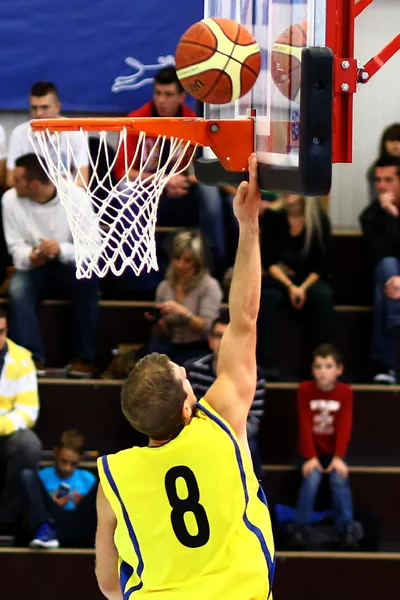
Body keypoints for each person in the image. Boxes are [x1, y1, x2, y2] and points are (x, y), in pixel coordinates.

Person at [95, 154, 275, 600]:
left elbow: (108, 585)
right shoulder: (221, 425)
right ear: (188, 406)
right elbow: (245, 320)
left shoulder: (114, 477)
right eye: (186, 377)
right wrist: (248, 225)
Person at [113, 66, 235, 278]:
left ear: (182, 96)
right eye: (158, 93)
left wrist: (185, 181)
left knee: (209, 190)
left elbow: (209, 169)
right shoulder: (137, 120)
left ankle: (213, 263)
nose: (161, 100)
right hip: (149, 195)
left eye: (168, 94)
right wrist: (163, 180)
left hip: (183, 193)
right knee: (125, 190)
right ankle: (137, 265)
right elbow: (123, 172)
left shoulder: (193, 122)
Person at [2, 153, 99, 377]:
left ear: (34, 184)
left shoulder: (77, 197)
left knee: (89, 279)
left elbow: (93, 249)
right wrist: (31, 256)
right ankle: (31, 359)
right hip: (34, 267)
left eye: (17, 179)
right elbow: (15, 246)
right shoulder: (9, 199)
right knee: (18, 288)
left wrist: (61, 250)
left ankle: (83, 359)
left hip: (70, 266)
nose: (11, 183)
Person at [291, 344, 360, 550]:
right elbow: (304, 425)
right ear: (313, 370)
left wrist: (339, 456)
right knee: (312, 478)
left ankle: (346, 528)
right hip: (309, 450)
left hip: (333, 451)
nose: (323, 371)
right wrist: (310, 457)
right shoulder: (304, 390)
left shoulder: (345, 392)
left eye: (328, 366)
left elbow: (344, 426)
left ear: (339, 369)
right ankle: (300, 528)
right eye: (318, 366)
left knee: (339, 479)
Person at [258, 194, 334, 380]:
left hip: (309, 279)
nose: (288, 192)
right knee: (268, 297)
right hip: (280, 278)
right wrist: (291, 286)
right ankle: (266, 364)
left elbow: (321, 265)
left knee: (323, 296)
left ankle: (322, 362)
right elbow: (268, 260)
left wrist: (302, 287)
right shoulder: (272, 216)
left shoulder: (319, 220)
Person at [184, 310, 265, 479]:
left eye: (228, 336)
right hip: (201, 434)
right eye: (218, 336)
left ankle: (253, 498)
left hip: (237, 433)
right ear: (210, 341)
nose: (223, 342)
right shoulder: (193, 369)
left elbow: (254, 422)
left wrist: (226, 434)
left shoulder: (254, 374)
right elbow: (188, 413)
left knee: (252, 447)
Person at [144, 229, 222, 365]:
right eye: (177, 258)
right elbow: (164, 332)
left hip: (198, 345)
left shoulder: (209, 286)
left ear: (197, 263)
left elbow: (208, 329)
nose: (180, 265)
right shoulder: (165, 286)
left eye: (187, 261)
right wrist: (158, 324)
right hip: (170, 343)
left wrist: (185, 314)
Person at [0, 307, 41, 543]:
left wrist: (2, 425)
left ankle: (5, 520)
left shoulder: (21, 360)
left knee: (29, 444)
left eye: (1, 331)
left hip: (6, 437)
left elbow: (28, 413)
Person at [360, 155, 400, 384]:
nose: (382, 186)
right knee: (387, 267)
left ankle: (383, 365)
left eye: (388, 179)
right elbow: (381, 253)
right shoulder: (371, 216)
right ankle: (396, 316)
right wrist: (391, 217)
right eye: (377, 180)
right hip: (388, 285)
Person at [21, 429, 98, 549]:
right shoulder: (43, 476)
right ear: (56, 452)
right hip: (53, 521)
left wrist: (82, 504)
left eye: (73, 464)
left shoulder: (88, 478)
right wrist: (53, 503)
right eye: (64, 461)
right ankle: (45, 531)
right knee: (27, 475)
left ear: (80, 459)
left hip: (79, 525)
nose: (67, 468)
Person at [6, 81, 89, 189]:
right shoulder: (19, 133)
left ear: (58, 107)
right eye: (34, 108)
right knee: (9, 197)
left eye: (44, 107)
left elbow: (82, 180)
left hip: (65, 193)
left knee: (81, 197)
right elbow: (10, 180)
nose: (39, 113)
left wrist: (50, 192)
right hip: (30, 191)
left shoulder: (75, 132)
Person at [366, 123, 400, 203]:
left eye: (399, 140)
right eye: (391, 140)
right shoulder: (377, 169)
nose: (395, 144)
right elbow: (375, 199)